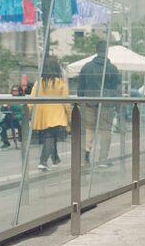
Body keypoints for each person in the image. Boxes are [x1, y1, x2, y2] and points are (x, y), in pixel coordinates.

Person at [76, 40, 121, 168]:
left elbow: (80, 89)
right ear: (106, 51)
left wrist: (83, 100)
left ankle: (85, 156)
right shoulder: (112, 68)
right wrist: (117, 105)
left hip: (88, 103)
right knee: (105, 130)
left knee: (88, 129)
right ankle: (102, 159)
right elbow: (117, 89)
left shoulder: (86, 67)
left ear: (96, 50)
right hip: (107, 104)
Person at [28, 58, 71, 171]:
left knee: (50, 136)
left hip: (41, 114)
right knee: (50, 136)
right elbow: (66, 101)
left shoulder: (39, 82)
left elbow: (32, 99)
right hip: (56, 113)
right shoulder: (61, 82)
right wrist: (70, 115)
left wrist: (29, 114)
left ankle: (56, 159)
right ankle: (43, 161)